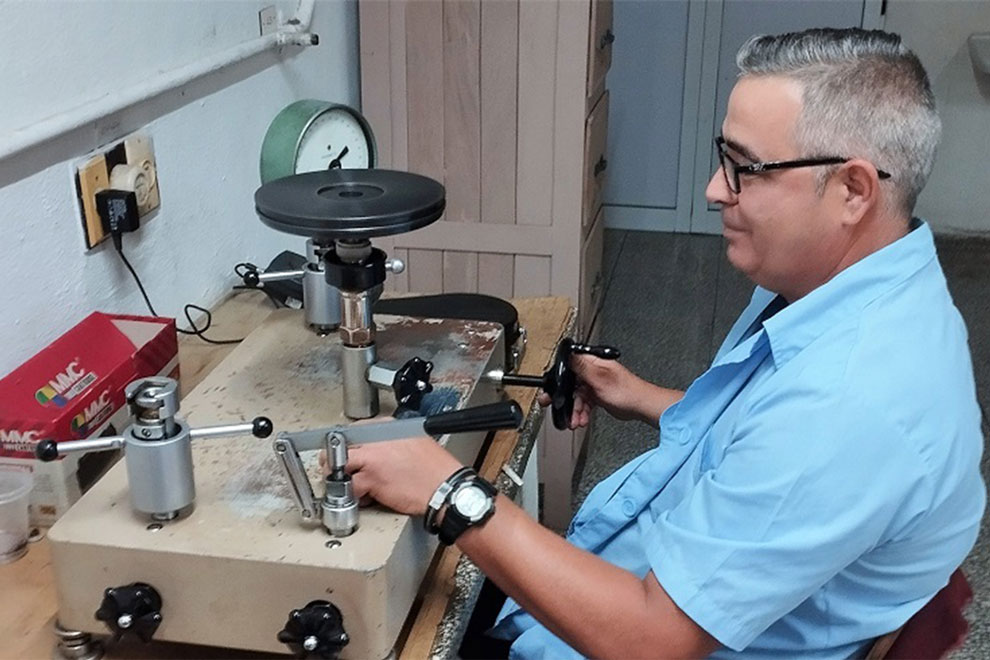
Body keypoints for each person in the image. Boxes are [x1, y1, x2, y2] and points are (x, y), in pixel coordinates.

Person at [339, 28, 986, 658]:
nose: (713, 189)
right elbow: (763, 435)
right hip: (653, 577)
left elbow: (651, 641)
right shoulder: (845, 285)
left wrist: (449, 489)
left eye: (744, 169)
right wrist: (645, 397)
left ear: (851, 190)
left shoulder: (848, 401)